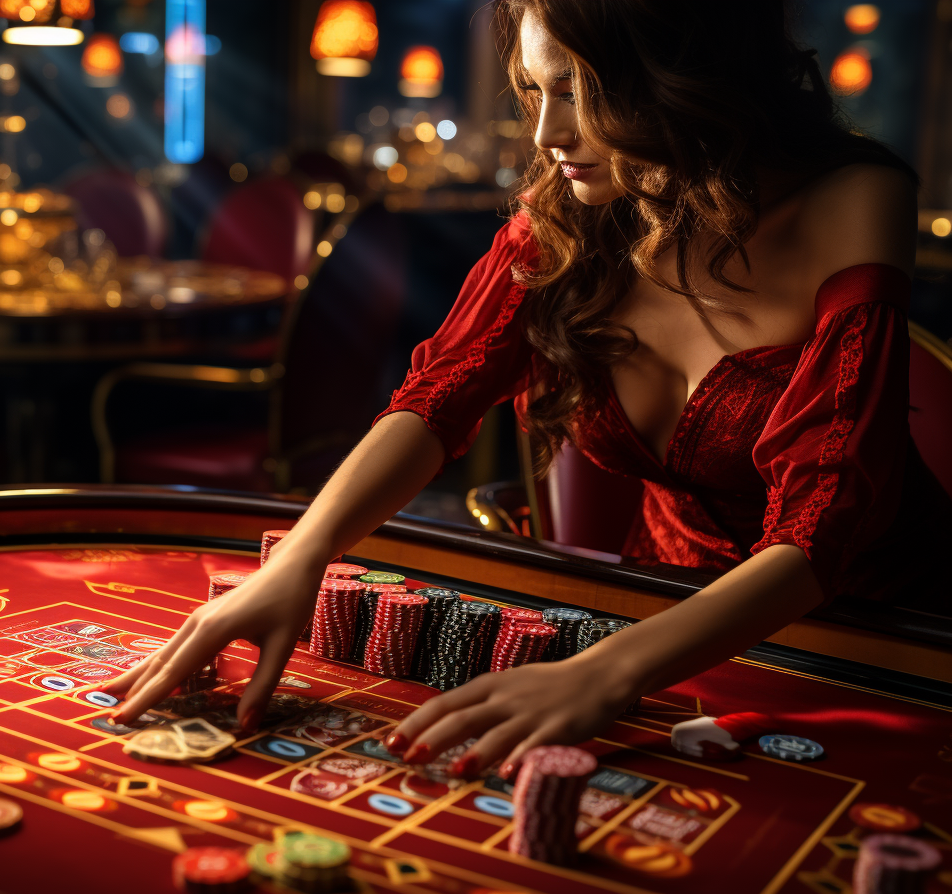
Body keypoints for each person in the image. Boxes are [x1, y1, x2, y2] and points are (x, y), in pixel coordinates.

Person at [103, 0, 951, 781]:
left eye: (580, 90)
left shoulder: (857, 196)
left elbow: (824, 523)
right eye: (537, 90)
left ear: (681, 71)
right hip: (661, 614)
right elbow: (441, 393)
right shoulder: (579, 207)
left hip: (876, 643)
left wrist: (603, 674)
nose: (547, 132)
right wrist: (302, 555)